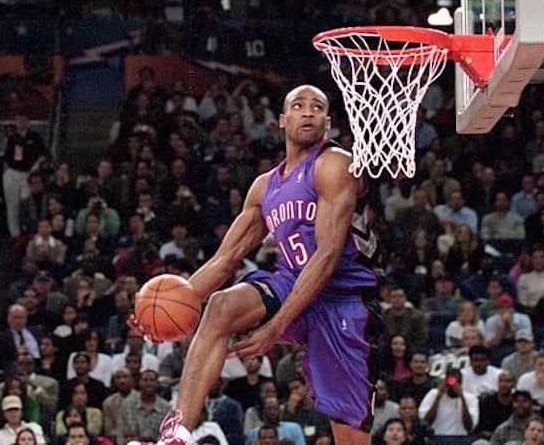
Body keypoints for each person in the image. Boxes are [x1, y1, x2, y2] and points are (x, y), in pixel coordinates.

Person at [140, 85, 383, 445]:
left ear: (328, 123)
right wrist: (163, 311)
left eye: (317, 107)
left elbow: (328, 256)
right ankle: (178, 433)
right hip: (290, 282)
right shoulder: (264, 187)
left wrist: (275, 328)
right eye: (298, 106)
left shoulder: (334, 165)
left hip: (342, 299)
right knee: (221, 306)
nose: (308, 112)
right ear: (282, 120)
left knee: (350, 438)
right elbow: (225, 260)